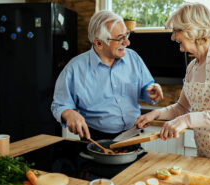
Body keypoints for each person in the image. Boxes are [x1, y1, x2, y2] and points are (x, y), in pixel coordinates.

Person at [135, 3, 210, 164]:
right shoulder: (192, 66)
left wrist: (187, 120)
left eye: (176, 31)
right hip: (207, 156)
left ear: (192, 30)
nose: (173, 37)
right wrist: (156, 114)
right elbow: (181, 107)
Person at [51, 10, 163, 140]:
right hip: (96, 139)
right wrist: (68, 113)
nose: (127, 43)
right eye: (120, 38)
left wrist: (151, 93)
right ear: (99, 43)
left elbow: (146, 88)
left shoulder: (133, 57)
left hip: (132, 136)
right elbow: (59, 105)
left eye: (127, 35)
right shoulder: (74, 69)